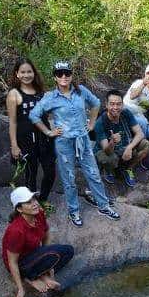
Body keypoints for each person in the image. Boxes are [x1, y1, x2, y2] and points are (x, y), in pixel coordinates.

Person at [29, 61, 120, 226]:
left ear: (71, 75)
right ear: (55, 77)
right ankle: (74, 211)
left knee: (93, 174)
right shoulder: (50, 97)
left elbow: (96, 104)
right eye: (59, 73)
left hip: (83, 140)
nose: (64, 76)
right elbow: (34, 115)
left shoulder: (81, 91)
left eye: (67, 73)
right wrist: (48, 131)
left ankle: (103, 205)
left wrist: (91, 123)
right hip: (64, 143)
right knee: (69, 178)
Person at [2, 186, 74, 297]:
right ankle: (31, 278)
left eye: (34, 199)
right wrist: (20, 288)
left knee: (68, 251)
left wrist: (47, 254)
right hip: (21, 264)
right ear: (19, 209)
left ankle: (42, 275)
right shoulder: (16, 230)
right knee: (56, 253)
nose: (35, 203)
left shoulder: (39, 214)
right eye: (28, 202)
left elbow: (46, 235)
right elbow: (12, 262)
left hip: (34, 254)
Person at [6, 58, 56, 205]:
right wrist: (14, 145)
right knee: (30, 174)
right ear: (17, 74)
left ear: (34, 72)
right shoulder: (14, 94)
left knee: (50, 171)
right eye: (23, 72)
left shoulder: (41, 91)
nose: (26, 75)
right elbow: (12, 121)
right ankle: (31, 204)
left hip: (45, 137)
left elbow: (48, 113)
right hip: (26, 140)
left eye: (29, 71)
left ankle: (43, 199)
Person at [94, 90, 149, 187]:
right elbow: (106, 150)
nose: (115, 107)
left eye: (118, 104)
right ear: (106, 105)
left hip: (125, 148)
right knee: (109, 159)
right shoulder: (100, 122)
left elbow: (140, 133)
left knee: (145, 144)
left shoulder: (126, 113)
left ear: (122, 105)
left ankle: (128, 168)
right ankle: (109, 170)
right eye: (112, 104)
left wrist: (130, 147)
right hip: (108, 152)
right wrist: (112, 142)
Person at [123, 63, 149, 142]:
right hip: (128, 109)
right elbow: (132, 96)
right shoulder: (138, 83)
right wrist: (143, 84)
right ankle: (140, 144)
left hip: (140, 114)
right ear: (145, 74)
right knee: (142, 123)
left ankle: (137, 140)